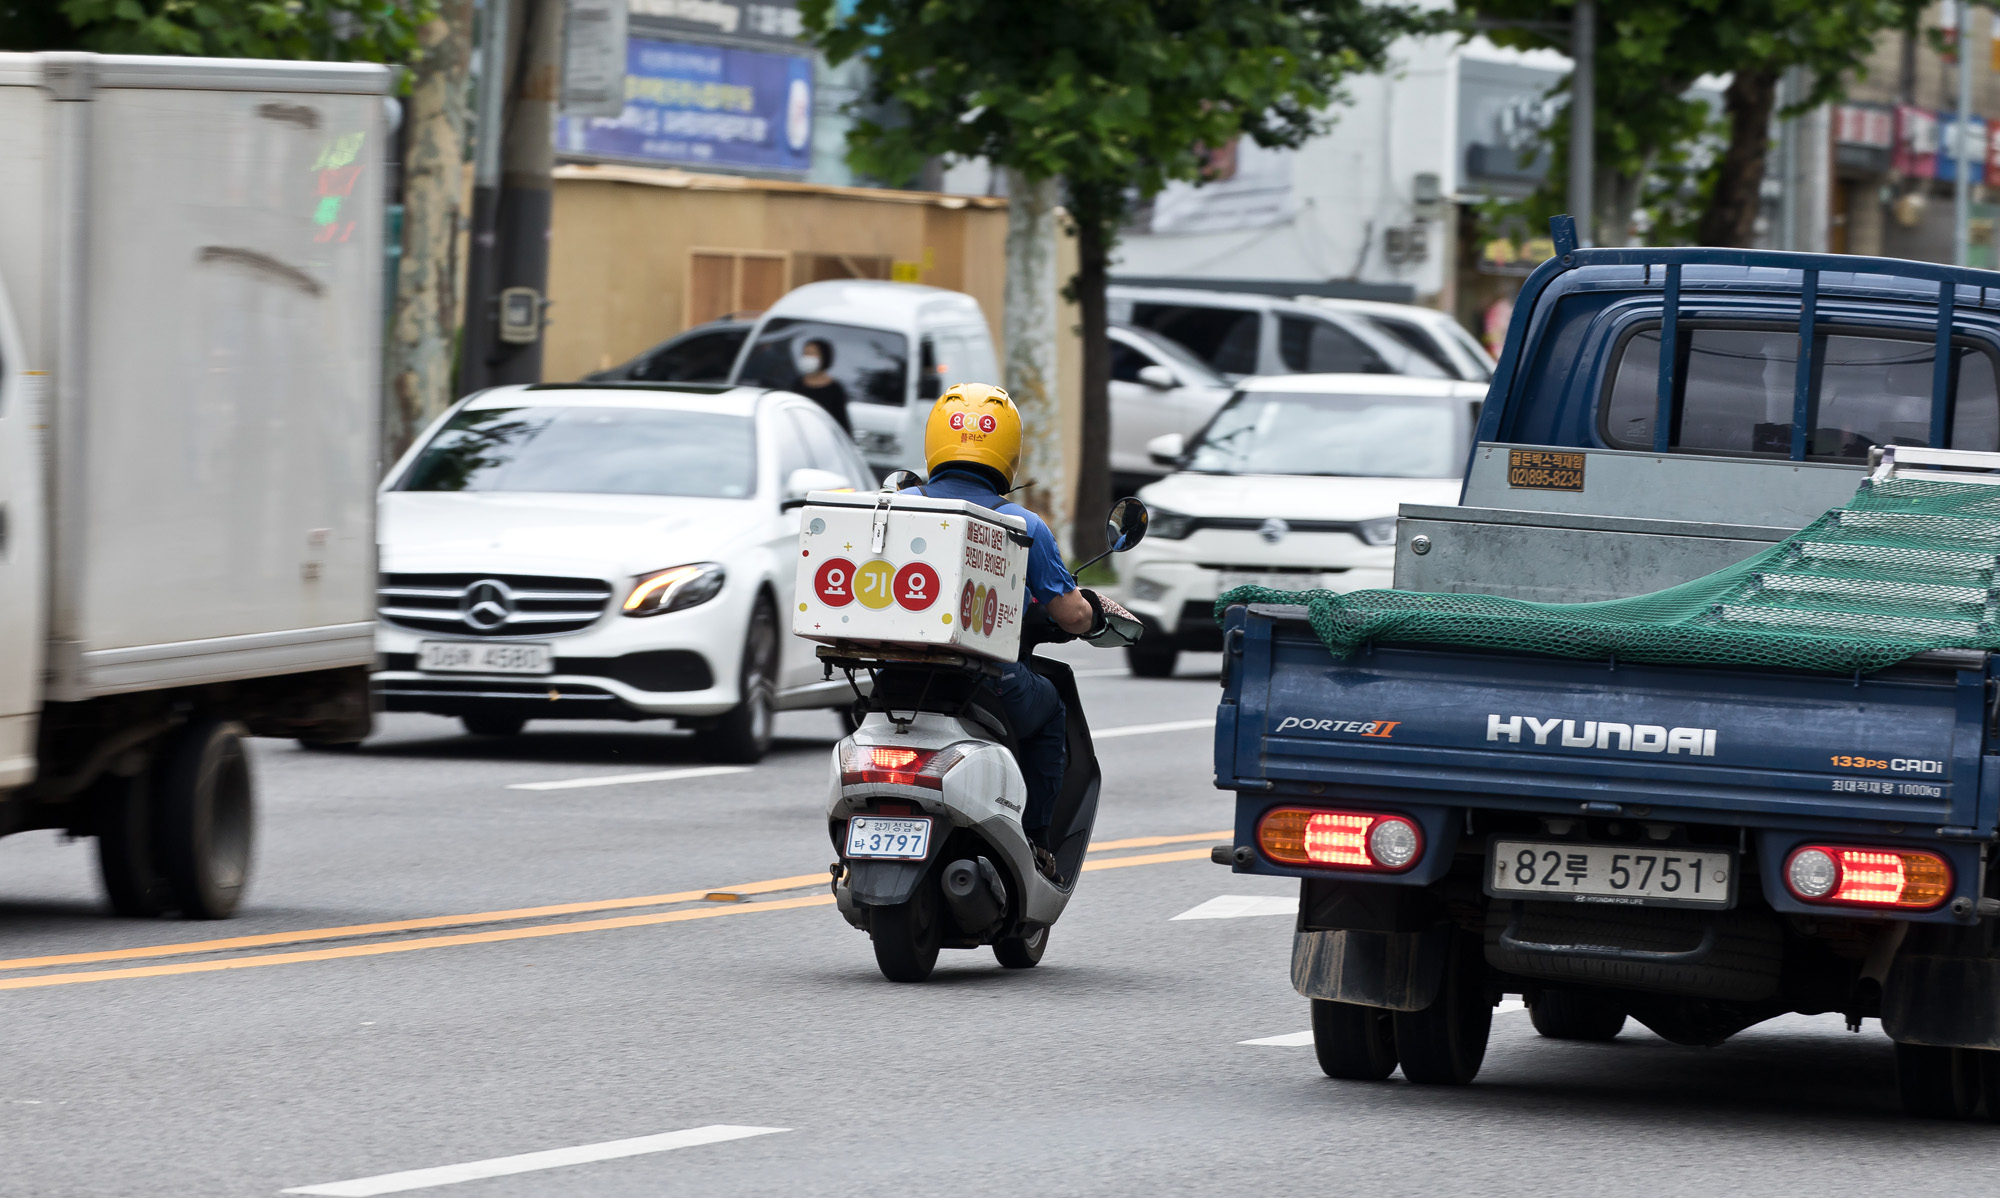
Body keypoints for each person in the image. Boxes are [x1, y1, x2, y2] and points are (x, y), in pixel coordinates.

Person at [913, 383, 1100, 869]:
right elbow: (1073, 616)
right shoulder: (1021, 525)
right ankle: (1037, 839)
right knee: (1051, 708)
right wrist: (1096, 612)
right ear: (1008, 451)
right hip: (984, 680)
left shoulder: (900, 504)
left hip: (898, 676)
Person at [793, 338, 851, 433]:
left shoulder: (835, 389)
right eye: (805, 353)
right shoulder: (798, 384)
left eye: (812, 354)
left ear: (824, 357)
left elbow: (842, 424)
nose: (807, 357)